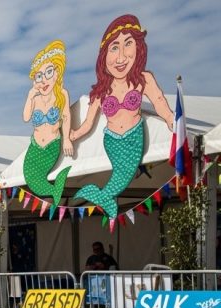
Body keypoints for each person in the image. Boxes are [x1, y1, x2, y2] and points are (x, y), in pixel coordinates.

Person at [70, 14, 173, 219]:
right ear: (104, 56)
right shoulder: (101, 90)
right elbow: (88, 124)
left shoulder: (143, 79)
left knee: (122, 177)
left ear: (139, 49)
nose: (120, 56)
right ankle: (103, 197)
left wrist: (171, 120)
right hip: (110, 140)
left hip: (133, 136)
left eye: (128, 44)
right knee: (118, 176)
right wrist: (70, 136)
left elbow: (160, 102)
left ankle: (101, 196)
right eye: (114, 48)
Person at [22, 40, 74, 208]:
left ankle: (55, 192)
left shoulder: (62, 94)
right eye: (39, 76)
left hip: (52, 145)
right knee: (30, 178)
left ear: (57, 73)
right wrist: (30, 96)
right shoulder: (35, 99)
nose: (43, 80)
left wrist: (66, 139)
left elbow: (66, 116)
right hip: (35, 146)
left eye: (48, 72)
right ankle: (55, 191)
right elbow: (25, 117)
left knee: (38, 180)